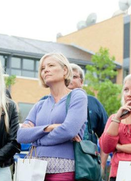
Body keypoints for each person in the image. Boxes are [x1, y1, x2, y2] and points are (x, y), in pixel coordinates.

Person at [17, 52, 88, 181]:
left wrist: (37, 139)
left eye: (50, 65)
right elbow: (21, 135)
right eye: (43, 68)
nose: (46, 70)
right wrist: (49, 128)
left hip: (63, 170)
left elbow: (68, 130)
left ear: (65, 70)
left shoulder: (77, 96)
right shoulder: (40, 105)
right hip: (34, 170)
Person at [67, 63, 109, 175]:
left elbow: (106, 137)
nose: (70, 79)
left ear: (81, 82)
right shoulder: (49, 101)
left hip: (87, 164)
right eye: (67, 75)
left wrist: (102, 166)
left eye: (75, 77)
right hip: (60, 163)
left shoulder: (93, 103)